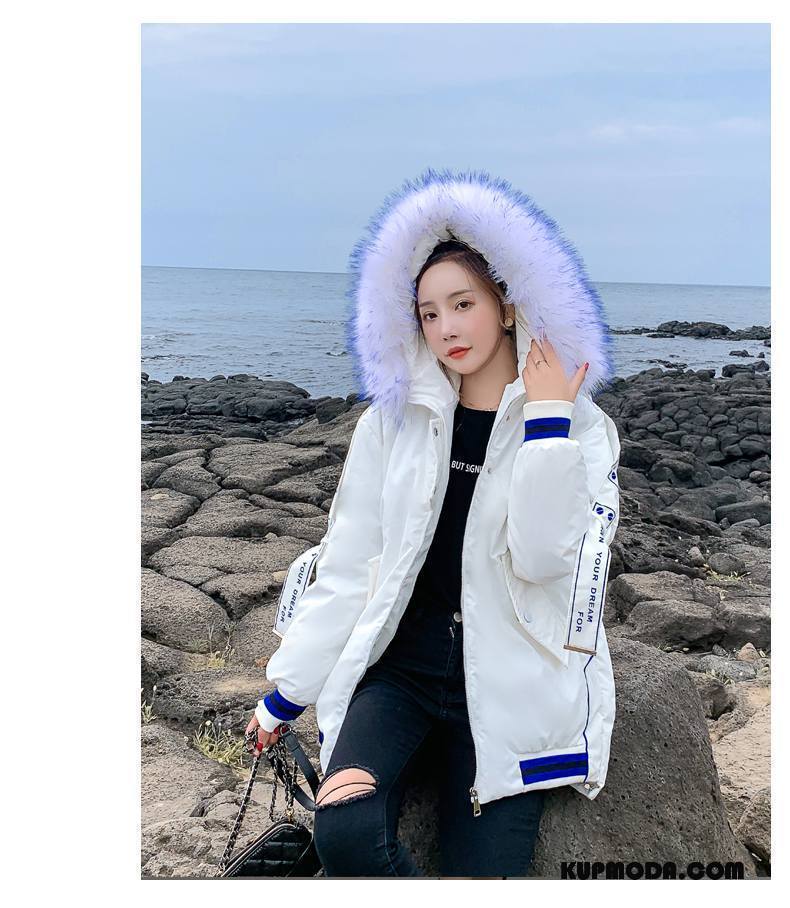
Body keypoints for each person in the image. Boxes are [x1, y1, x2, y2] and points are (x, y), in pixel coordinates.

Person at [245, 169, 621, 878]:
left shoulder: (581, 431)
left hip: (508, 690)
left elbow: (546, 562)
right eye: (427, 313)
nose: (446, 328)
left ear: (507, 306)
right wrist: (286, 693)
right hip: (400, 678)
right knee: (346, 833)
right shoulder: (394, 425)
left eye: (463, 304)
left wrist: (546, 426)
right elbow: (350, 564)